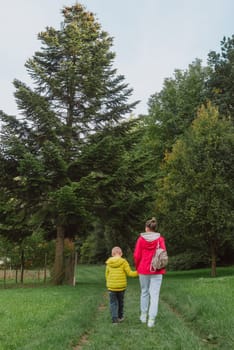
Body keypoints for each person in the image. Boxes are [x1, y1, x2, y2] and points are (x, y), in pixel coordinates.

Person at [133, 217, 166, 327]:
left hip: (143, 269)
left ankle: (143, 316)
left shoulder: (141, 239)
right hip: (157, 269)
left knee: (144, 291)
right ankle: (151, 320)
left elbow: (136, 256)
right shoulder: (160, 239)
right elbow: (163, 255)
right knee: (155, 294)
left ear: (147, 228)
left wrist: (138, 267)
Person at [105, 246, 138, 323]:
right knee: (120, 302)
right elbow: (130, 273)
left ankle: (114, 319)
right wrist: (139, 272)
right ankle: (120, 317)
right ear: (121, 254)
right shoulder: (124, 262)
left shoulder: (109, 263)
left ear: (112, 254)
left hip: (111, 287)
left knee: (113, 303)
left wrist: (109, 282)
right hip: (121, 287)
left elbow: (106, 275)